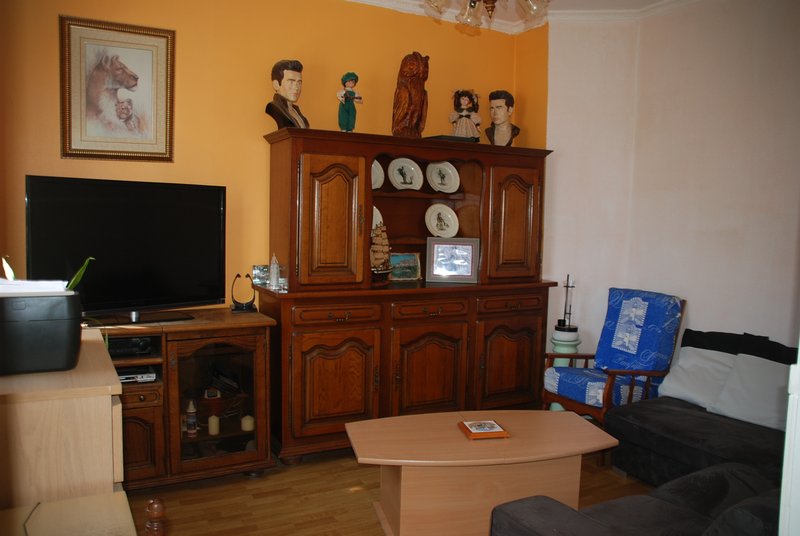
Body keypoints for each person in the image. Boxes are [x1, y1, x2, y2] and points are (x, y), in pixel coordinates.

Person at [265, 59, 309, 129]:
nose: (296, 87)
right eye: (291, 82)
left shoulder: (297, 112)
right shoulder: (273, 108)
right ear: (276, 84)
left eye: (299, 83)